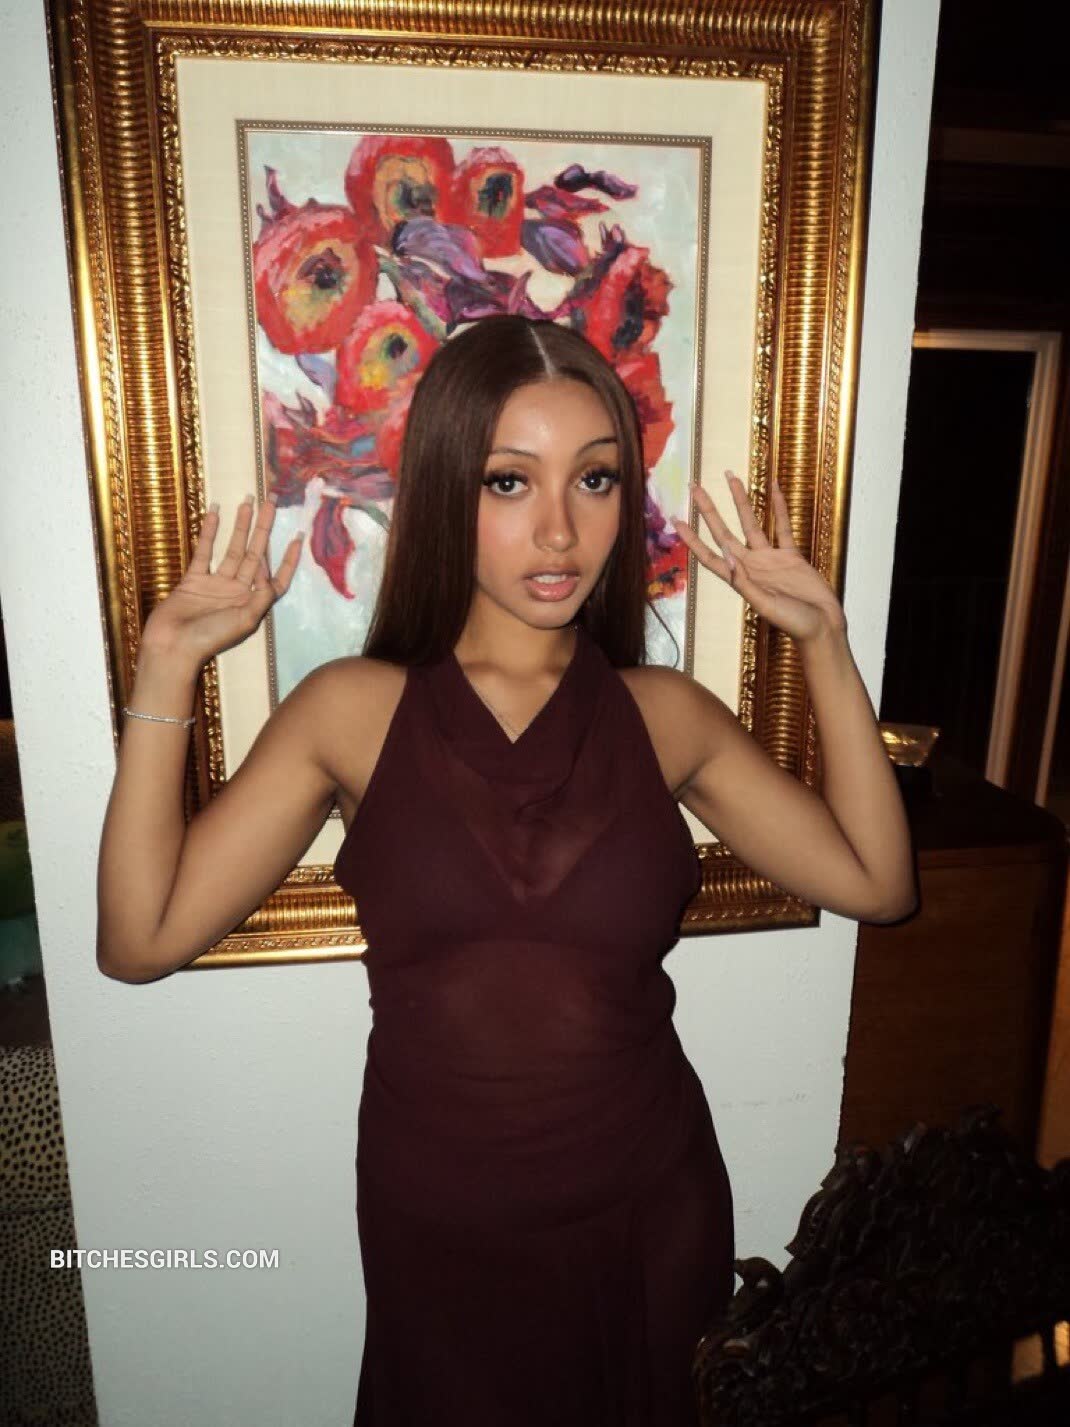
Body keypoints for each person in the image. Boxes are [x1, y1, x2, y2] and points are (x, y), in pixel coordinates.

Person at [96, 315, 917, 1425]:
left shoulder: (663, 715)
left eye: (594, 479)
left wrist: (823, 641)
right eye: (508, 481)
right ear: (448, 491)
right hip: (440, 1234)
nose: (559, 529)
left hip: (649, 1208)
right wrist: (165, 664)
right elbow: (138, 939)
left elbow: (877, 883)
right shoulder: (352, 710)